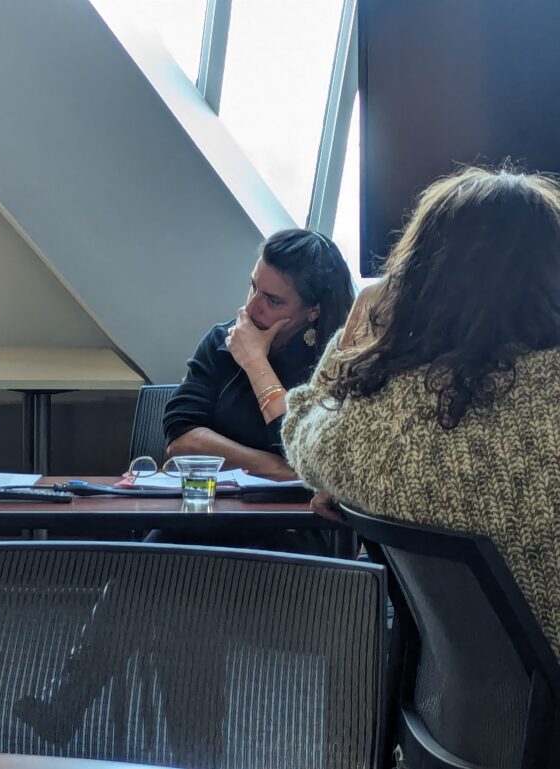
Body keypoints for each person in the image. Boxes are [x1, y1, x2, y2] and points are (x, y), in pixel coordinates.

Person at [282, 166, 560, 656]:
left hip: (457, 714)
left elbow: (303, 420)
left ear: (419, 281)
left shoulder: (379, 424)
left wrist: (366, 317)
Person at [163, 229, 354, 480]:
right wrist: (274, 468)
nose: (251, 308)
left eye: (272, 301)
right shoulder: (222, 340)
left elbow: (308, 454)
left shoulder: (341, 361)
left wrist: (255, 362)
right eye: (253, 287)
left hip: (302, 514)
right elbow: (180, 441)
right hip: (220, 506)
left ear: (313, 310)